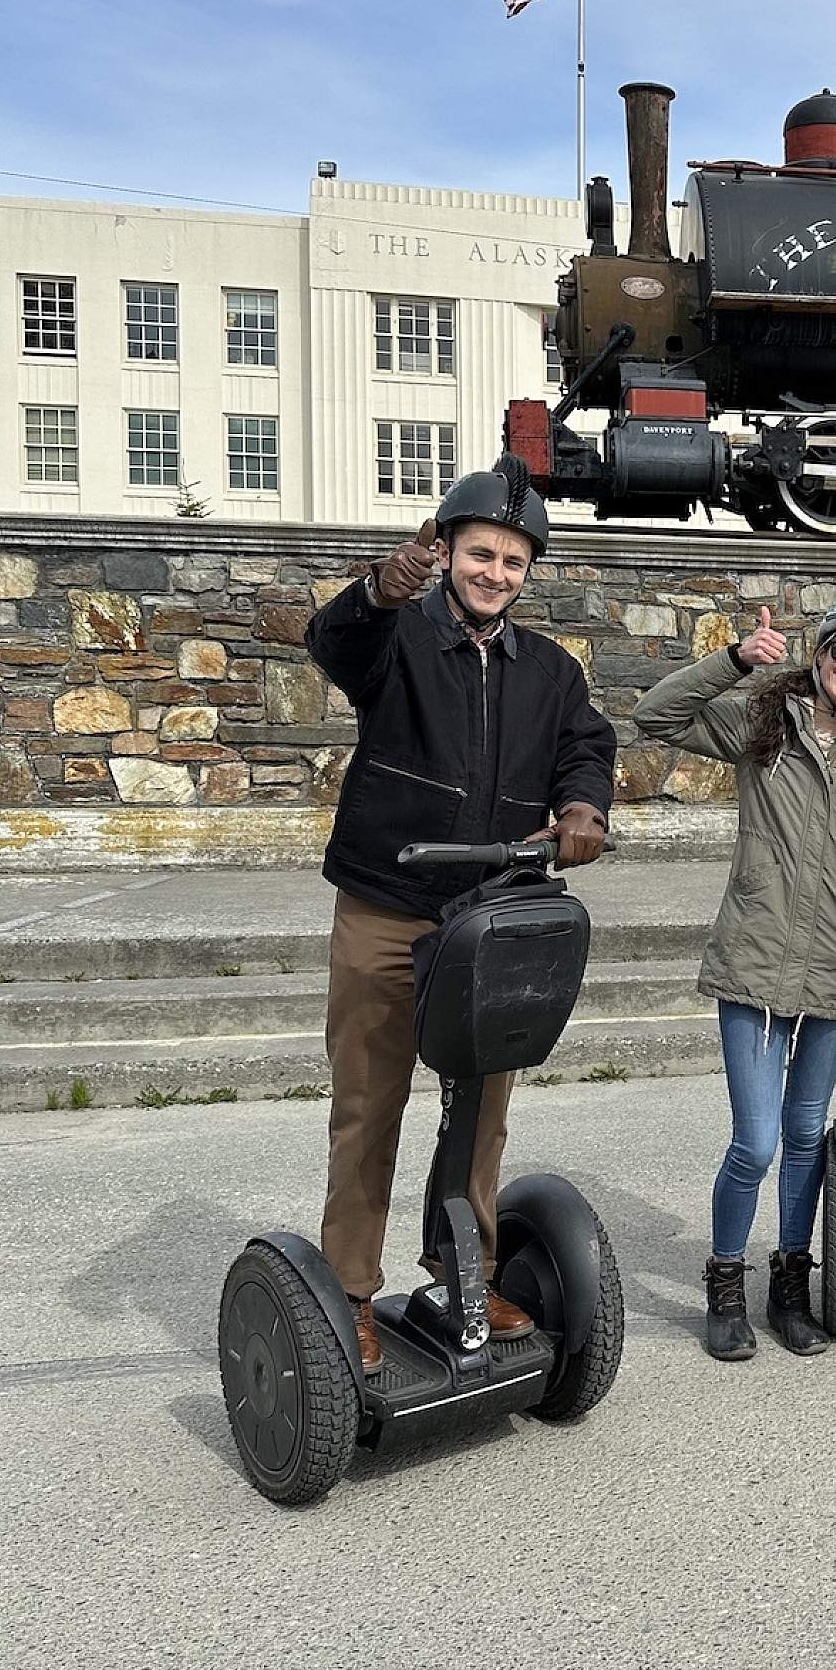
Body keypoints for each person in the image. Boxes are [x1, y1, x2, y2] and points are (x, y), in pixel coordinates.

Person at [304, 458, 616, 1371]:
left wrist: (583, 806)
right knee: (370, 1103)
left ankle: (461, 1276)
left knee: (483, 1104)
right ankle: (350, 1294)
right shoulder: (397, 635)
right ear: (445, 553)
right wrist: (374, 592)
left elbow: (584, 745)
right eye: (481, 554)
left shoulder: (549, 669)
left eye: (514, 563)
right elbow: (337, 645)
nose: (495, 574)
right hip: (389, 905)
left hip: (488, 914)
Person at [633, 594, 836, 1360]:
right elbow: (654, 717)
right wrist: (735, 659)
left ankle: (788, 1285)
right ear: (821, 651)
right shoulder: (762, 720)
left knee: (807, 1132)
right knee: (757, 1142)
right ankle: (725, 1284)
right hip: (754, 954)